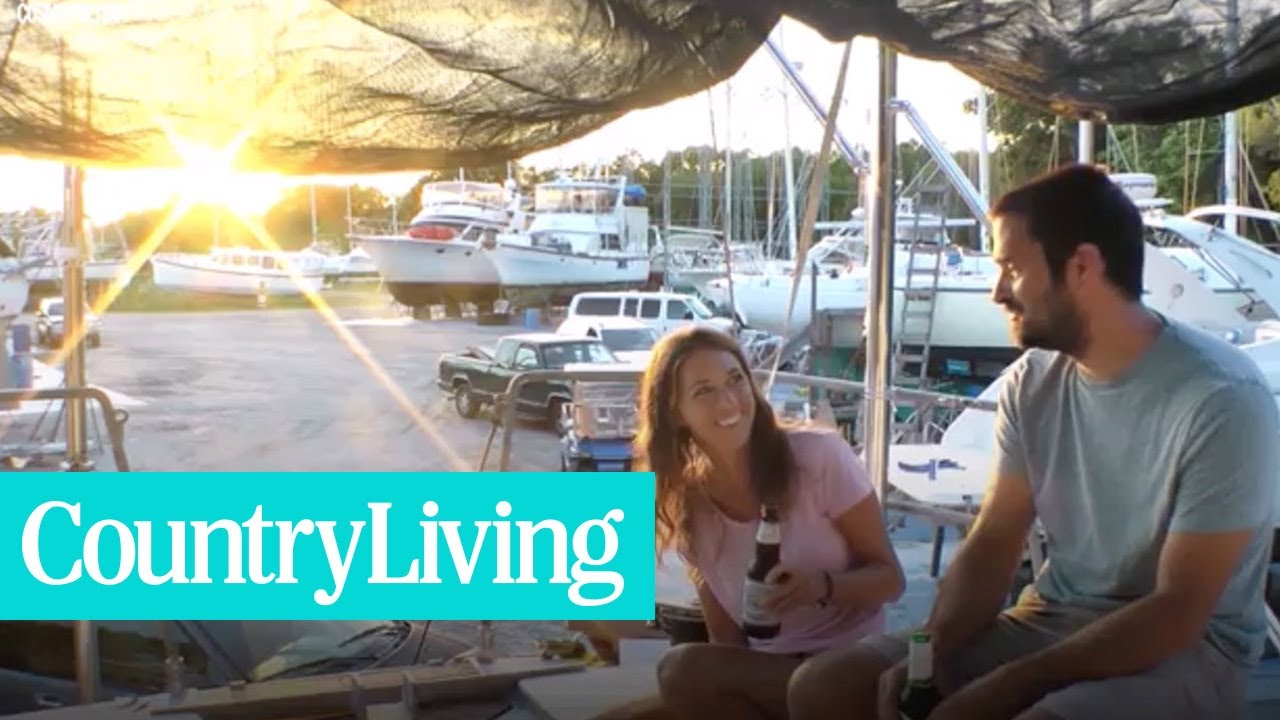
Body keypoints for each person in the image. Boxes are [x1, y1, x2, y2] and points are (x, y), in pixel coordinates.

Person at [787, 163, 1280, 720]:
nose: (997, 292)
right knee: (824, 687)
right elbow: (995, 538)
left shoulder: (1221, 399)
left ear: (1081, 267)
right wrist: (933, 651)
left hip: (1189, 652)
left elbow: (1179, 610)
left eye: (1012, 269)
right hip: (1050, 618)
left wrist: (1013, 685)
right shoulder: (1033, 382)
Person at [635, 325, 906, 720]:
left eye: (735, 380)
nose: (728, 401)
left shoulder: (817, 456)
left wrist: (822, 587)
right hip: (772, 673)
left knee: (807, 683)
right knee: (675, 675)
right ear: (675, 414)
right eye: (703, 391)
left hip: (852, 664)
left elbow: (891, 581)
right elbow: (726, 640)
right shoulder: (688, 505)